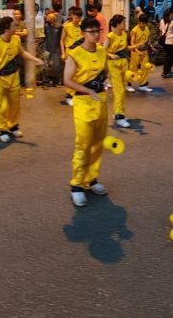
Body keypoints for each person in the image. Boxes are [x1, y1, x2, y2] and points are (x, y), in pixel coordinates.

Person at [63, 16, 110, 207]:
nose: (96, 35)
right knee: (83, 145)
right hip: (83, 103)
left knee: (98, 144)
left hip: (101, 102)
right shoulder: (75, 54)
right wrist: (87, 90)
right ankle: (76, 185)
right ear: (83, 33)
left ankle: (91, 179)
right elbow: (67, 80)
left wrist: (107, 81)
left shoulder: (101, 51)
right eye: (92, 32)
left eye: (98, 31)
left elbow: (106, 71)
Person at [0, 16, 43, 143]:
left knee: (15, 104)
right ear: (6, 29)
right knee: (1, 106)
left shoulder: (16, 39)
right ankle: (3, 130)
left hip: (14, 77)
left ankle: (13, 126)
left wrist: (35, 60)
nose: (16, 28)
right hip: (0, 79)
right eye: (13, 26)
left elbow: (22, 53)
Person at [103, 15, 134, 128]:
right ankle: (119, 116)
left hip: (123, 63)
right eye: (123, 23)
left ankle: (120, 112)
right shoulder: (110, 36)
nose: (124, 25)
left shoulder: (125, 34)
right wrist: (110, 55)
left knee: (123, 89)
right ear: (117, 24)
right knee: (118, 90)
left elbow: (125, 48)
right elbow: (102, 51)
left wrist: (136, 46)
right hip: (114, 65)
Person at [59, 7, 85, 106]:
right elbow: (62, 40)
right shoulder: (66, 26)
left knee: (79, 74)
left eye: (79, 18)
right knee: (70, 75)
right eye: (75, 18)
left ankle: (78, 93)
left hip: (81, 53)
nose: (77, 20)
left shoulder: (82, 26)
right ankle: (69, 95)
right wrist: (63, 53)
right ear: (71, 16)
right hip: (70, 53)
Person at [128, 14, 154, 92]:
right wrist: (137, 51)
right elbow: (132, 42)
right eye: (142, 23)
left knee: (145, 68)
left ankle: (143, 85)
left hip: (144, 51)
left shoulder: (146, 28)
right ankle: (128, 84)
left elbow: (147, 39)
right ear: (139, 21)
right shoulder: (134, 30)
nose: (143, 25)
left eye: (145, 23)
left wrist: (151, 46)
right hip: (135, 52)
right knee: (133, 68)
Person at [159, 9, 173, 79]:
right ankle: (165, 71)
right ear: (170, 14)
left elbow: (160, 30)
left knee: (168, 56)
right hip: (170, 42)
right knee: (170, 57)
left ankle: (167, 70)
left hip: (164, 42)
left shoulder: (161, 21)